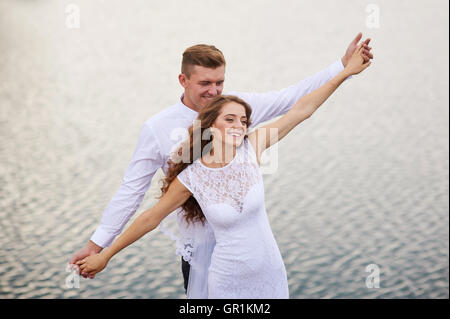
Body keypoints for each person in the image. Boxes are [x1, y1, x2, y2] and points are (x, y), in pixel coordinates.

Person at [69, 34, 373, 294]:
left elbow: (295, 102)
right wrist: (99, 247)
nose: (214, 91)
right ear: (183, 80)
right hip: (202, 252)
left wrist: (342, 69)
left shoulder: (235, 111)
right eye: (205, 83)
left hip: (257, 254)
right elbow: (134, 195)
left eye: (220, 82)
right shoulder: (161, 133)